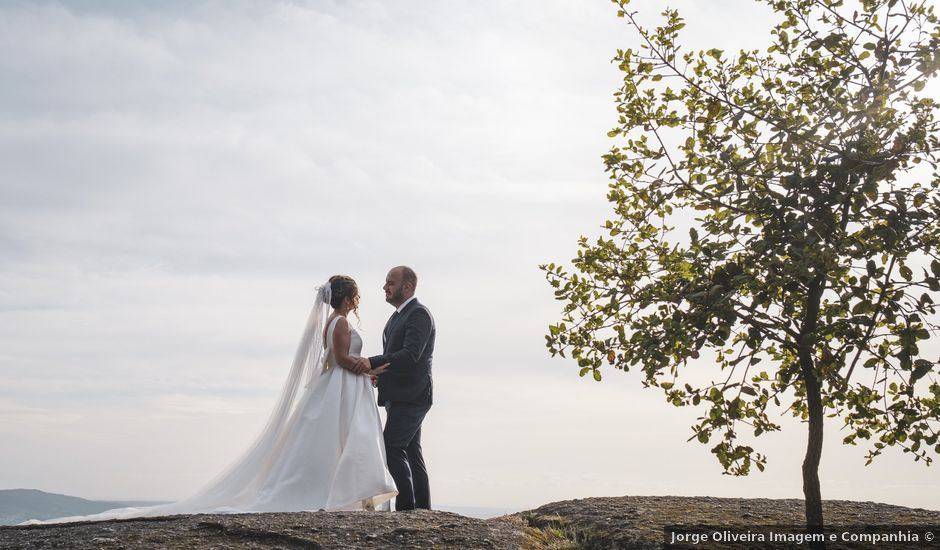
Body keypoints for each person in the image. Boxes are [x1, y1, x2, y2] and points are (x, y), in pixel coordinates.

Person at [25, 275, 397, 523]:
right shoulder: (342, 323)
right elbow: (343, 359)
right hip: (342, 388)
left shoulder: (332, 321)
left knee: (330, 445)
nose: (357, 299)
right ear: (348, 297)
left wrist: (362, 369)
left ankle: (342, 491)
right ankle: (341, 492)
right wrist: (368, 368)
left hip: (336, 389)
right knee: (339, 443)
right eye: (356, 295)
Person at [368, 266, 435, 511]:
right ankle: (422, 510)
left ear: (407, 287)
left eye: (391, 283)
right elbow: (395, 358)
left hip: (413, 395)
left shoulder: (419, 314)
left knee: (392, 447)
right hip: (399, 395)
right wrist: (379, 374)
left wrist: (370, 362)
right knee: (411, 451)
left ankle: (406, 509)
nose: (385, 287)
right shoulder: (396, 317)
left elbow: (410, 355)